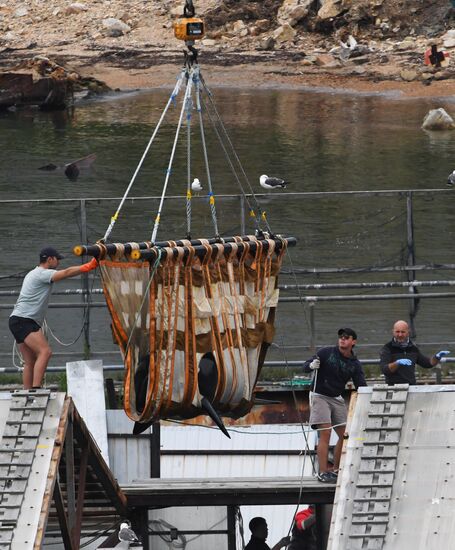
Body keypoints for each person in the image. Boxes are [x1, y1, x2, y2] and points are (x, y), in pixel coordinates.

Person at [9, 246, 98, 389]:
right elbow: (66, 273)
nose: (59, 263)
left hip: (17, 320)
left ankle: (27, 392)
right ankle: (36, 389)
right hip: (24, 320)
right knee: (45, 352)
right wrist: (88, 266)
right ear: (49, 259)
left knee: (29, 361)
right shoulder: (42, 273)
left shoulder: (33, 273)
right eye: (57, 259)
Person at [303, 328, 367, 483]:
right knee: (325, 432)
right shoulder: (326, 352)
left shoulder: (354, 364)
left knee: (345, 435)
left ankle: (337, 470)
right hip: (319, 395)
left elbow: (361, 386)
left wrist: (369, 398)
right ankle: (323, 472)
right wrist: (312, 365)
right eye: (340, 337)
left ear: (353, 342)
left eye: (346, 337)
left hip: (336, 397)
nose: (342, 339)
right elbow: (304, 367)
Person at [380, 320, 450, 385]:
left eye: (403, 332)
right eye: (397, 332)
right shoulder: (387, 348)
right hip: (393, 387)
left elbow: (427, 363)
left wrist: (437, 357)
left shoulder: (413, 348)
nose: (400, 335)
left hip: (411, 386)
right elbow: (384, 369)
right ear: (393, 331)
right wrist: (397, 363)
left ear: (408, 332)